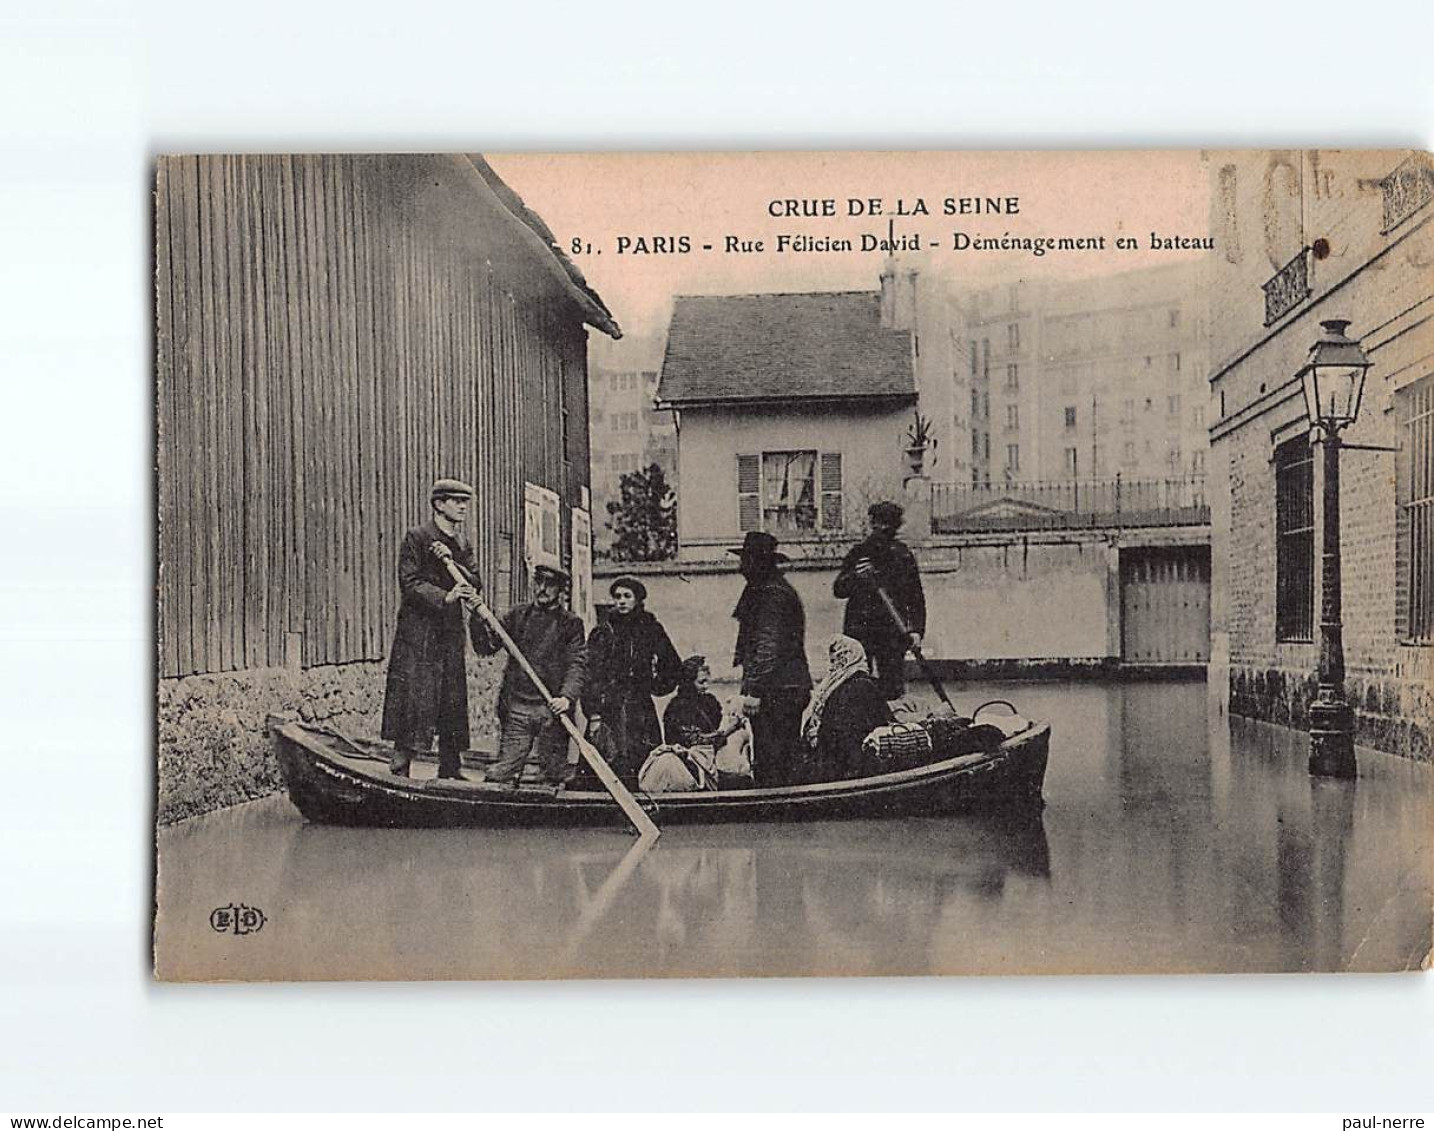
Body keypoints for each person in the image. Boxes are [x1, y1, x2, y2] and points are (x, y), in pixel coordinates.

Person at [380, 478, 487, 780]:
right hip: (419, 633)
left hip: (450, 633)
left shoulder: (462, 544)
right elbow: (410, 582)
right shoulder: (417, 537)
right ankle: (399, 771)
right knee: (414, 697)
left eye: (465, 501)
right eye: (456, 501)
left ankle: (450, 772)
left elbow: (475, 582)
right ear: (439, 504)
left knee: (452, 700)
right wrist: (445, 596)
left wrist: (453, 563)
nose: (463, 507)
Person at [472, 563, 587, 788]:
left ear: (561, 590)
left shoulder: (571, 624)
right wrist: (477, 617)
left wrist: (566, 697)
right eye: (539, 582)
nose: (542, 588)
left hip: (551, 710)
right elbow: (486, 646)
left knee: (551, 775)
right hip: (518, 708)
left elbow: (577, 663)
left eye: (550, 584)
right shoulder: (517, 616)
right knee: (502, 774)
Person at [728, 531, 813, 787]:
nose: (741, 567)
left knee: (774, 758)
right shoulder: (769, 590)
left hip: (777, 690)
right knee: (780, 755)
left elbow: (767, 648)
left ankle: (777, 814)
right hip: (783, 687)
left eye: (746, 560)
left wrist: (754, 691)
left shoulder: (770, 594)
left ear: (758, 562)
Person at [581, 575, 682, 788]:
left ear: (638, 600)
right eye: (617, 596)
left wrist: (656, 686)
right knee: (604, 761)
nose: (622, 601)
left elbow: (672, 664)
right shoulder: (603, 631)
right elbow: (591, 675)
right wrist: (594, 712)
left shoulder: (650, 628)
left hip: (640, 708)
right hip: (610, 708)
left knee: (642, 765)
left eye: (627, 596)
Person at [832, 500, 927, 701]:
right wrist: (856, 576)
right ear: (872, 524)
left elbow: (916, 597)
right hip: (860, 630)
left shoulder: (902, 556)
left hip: (893, 631)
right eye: (878, 523)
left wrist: (917, 630)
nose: (881, 529)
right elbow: (839, 589)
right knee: (856, 684)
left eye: (887, 524)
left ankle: (892, 728)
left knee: (892, 688)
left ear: (895, 526)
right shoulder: (859, 553)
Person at [802, 635, 895, 781]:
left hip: (836, 765)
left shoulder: (839, 686)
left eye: (834, 661)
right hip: (849, 766)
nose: (831, 666)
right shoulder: (862, 684)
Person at [662, 655, 723, 749]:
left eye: (707, 681)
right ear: (689, 682)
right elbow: (691, 741)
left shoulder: (710, 702)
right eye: (701, 682)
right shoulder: (677, 707)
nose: (706, 686)